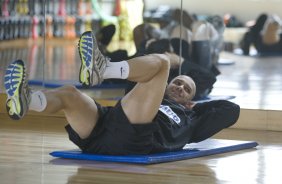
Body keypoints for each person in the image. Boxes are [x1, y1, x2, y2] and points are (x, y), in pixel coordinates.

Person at [4, 31, 240, 155]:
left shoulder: (192, 119)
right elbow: (145, 56)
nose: (180, 88)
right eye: (177, 83)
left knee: (163, 62)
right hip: (101, 133)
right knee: (69, 94)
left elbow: (232, 110)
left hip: (135, 138)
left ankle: (103, 68)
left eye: (186, 90)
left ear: (191, 101)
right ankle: (28, 101)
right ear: (166, 86)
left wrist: (195, 105)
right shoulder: (141, 89)